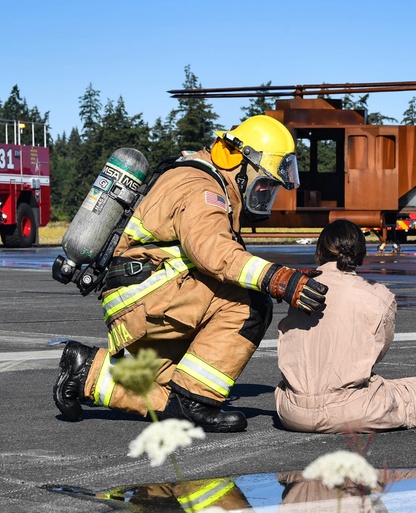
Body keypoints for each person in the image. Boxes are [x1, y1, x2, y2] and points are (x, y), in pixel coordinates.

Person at [53, 115, 327, 433]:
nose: (264, 194)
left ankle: (85, 371)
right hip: (149, 295)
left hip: (141, 295)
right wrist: (277, 279)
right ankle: (198, 402)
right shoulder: (201, 189)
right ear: (235, 159)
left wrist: (284, 275)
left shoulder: (201, 181)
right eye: (263, 184)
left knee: (168, 396)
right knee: (253, 301)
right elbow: (214, 253)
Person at [274, 219, 416, 433]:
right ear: (360, 253)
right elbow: (377, 351)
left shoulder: (299, 288)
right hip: (352, 411)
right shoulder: (378, 296)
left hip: (291, 411)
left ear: (319, 251)